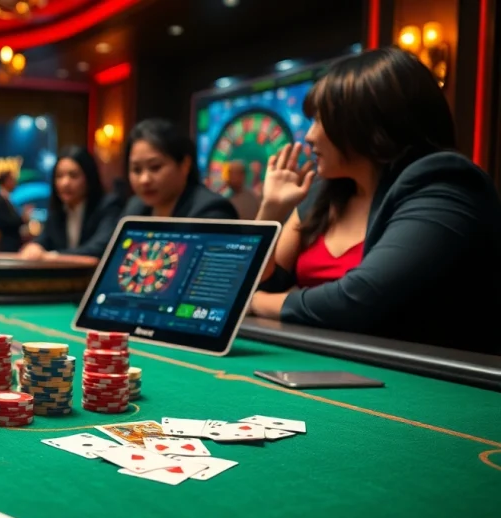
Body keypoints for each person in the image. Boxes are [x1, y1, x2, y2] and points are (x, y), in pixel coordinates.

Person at [251, 47, 501, 354]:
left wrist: (256, 303)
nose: (310, 136)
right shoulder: (323, 193)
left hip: (425, 381)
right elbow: (259, 281)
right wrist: (271, 210)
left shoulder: (444, 182)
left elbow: (357, 300)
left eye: (321, 120)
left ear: (369, 124)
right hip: (321, 356)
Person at [121, 118, 239, 220]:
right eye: (136, 170)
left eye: (155, 167)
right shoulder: (134, 208)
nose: (144, 180)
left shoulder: (211, 211)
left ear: (185, 165)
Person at [18, 146, 123, 260]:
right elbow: (43, 240)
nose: (65, 183)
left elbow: (100, 248)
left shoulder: (108, 205)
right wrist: (34, 246)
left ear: (89, 178)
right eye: (59, 176)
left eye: (73, 175)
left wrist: (53, 256)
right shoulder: (57, 211)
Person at [0, 170, 28, 252]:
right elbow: (6, 223)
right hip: (5, 247)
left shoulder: (7, 199)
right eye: (12, 179)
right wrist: (22, 219)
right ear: (6, 181)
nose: (15, 182)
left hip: (13, 245)